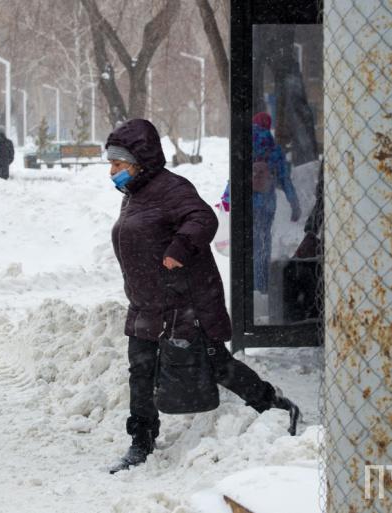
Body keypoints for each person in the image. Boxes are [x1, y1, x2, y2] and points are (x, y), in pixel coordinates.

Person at [107, 119, 302, 474]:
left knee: (217, 364)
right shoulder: (134, 196)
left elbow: (203, 218)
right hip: (146, 303)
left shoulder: (172, 188)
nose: (112, 171)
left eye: (118, 164)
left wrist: (179, 247)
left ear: (139, 161)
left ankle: (272, 403)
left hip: (183, 303)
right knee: (141, 370)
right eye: (111, 164)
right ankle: (141, 440)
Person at [251, 111, 300, 294]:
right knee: (263, 244)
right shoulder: (274, 149)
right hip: (266, 204)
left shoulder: (244, 143)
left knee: (247, 244)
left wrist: (227, 200)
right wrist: (294, 204)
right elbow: (285, 179)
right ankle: (261, 285)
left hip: (246, 204)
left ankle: (248, 284)